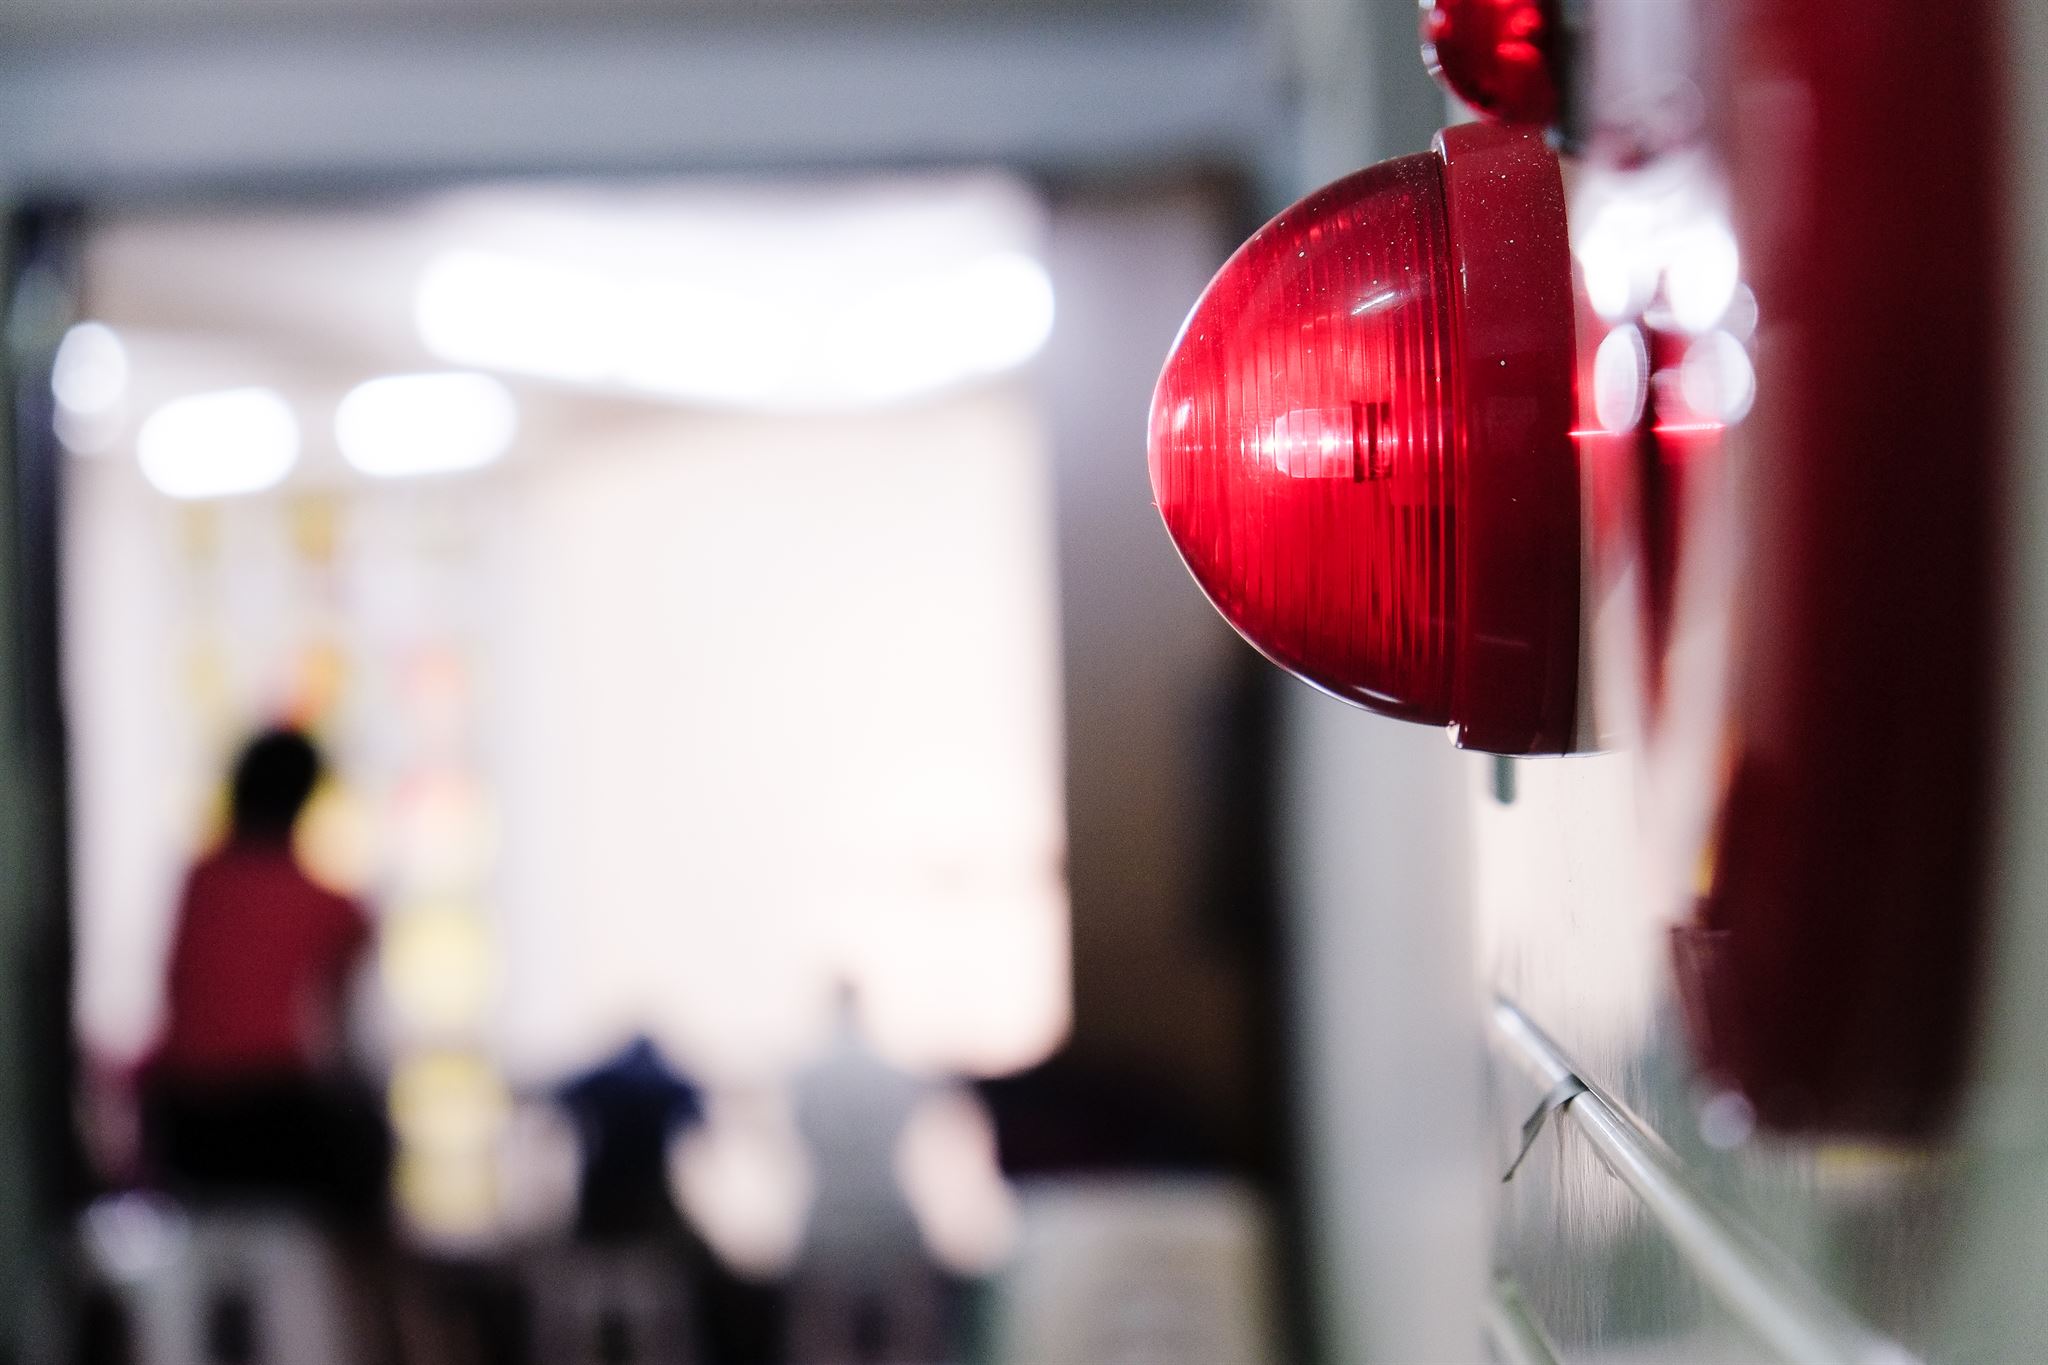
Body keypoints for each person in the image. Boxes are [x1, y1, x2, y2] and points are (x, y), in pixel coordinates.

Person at [143, 728, 388, 1230]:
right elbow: (345, 1041)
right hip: (273, 1120)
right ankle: (366, 1303)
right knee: (370, 1151)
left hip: (182, 1119)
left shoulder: (199, 882)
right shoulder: (333, 906)